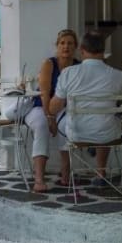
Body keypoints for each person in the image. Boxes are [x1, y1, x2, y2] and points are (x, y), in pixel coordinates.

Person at [48, 31, 122, 185]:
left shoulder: (68, 73)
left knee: (63, 121)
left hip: (76, 133)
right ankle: (101, 172)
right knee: (108, 120)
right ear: (103, 52)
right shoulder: (118, 75)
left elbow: (54, 108)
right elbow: (119, 102)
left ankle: (66, 172)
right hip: (107, 135)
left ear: (81, 50)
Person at [27, 29, 79, 193]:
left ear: (75, 47)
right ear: (57, 46)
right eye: (62, 43)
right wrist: (49, 117)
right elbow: (44, 93)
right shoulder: (49, 64)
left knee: (67, 124)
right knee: (42, 126)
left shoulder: (78, 66)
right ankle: (39, 178)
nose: (66, 47)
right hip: (41, 106)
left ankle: (65, 173)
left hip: (66, 108)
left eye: (70, 43)